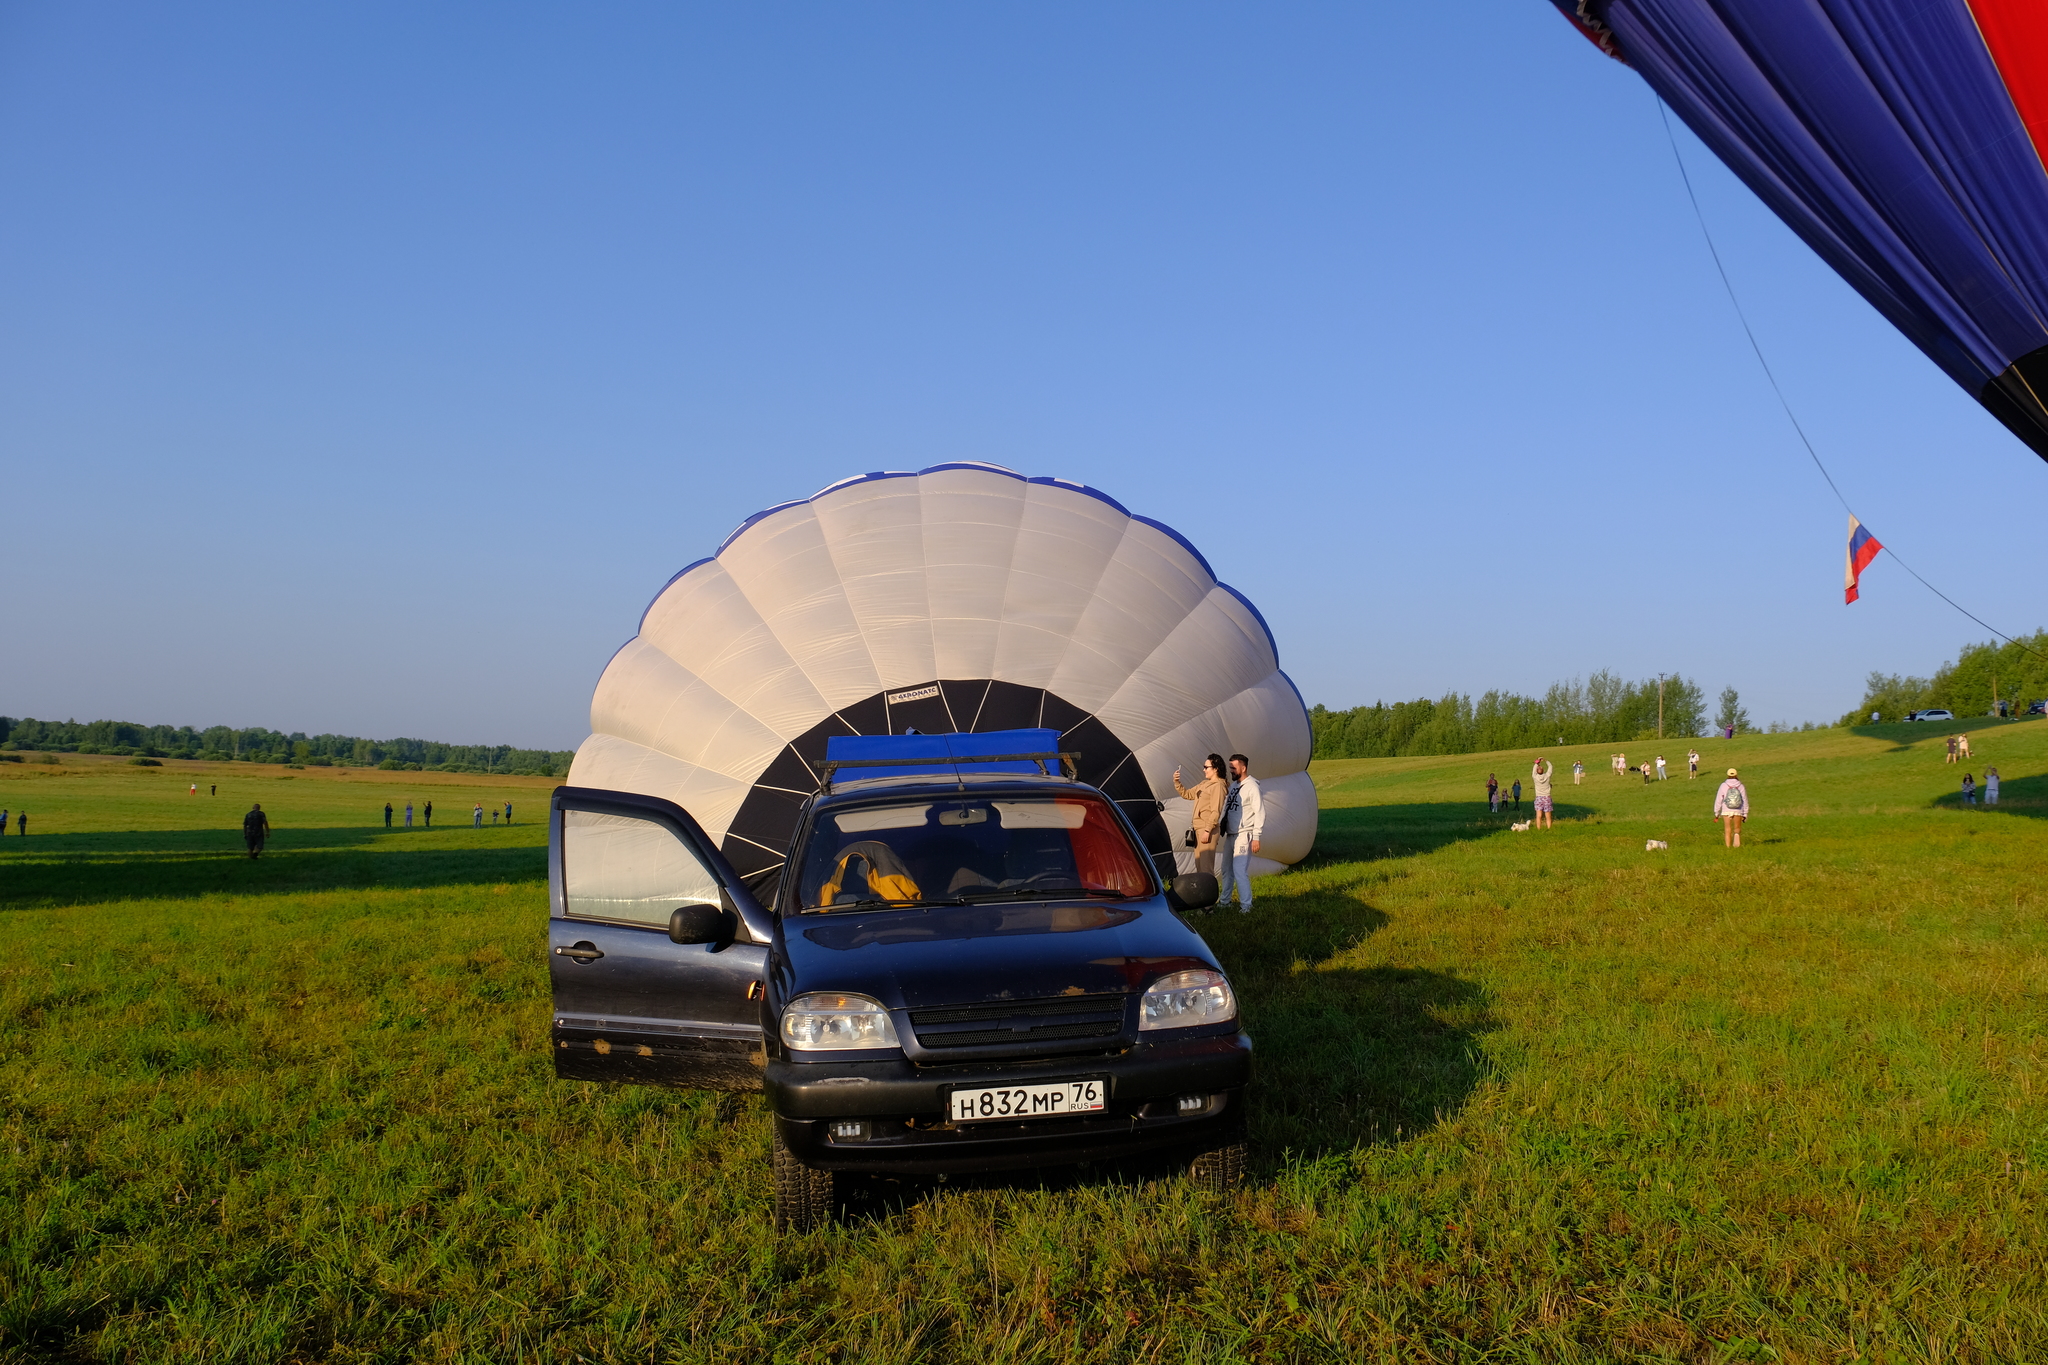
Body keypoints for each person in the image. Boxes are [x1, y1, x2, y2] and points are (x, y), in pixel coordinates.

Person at [1215, 754, 1264, 913]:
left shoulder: (1252, 786)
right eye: (1230, 768)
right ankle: (1225, 901)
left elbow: (1260, 812)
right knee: (1226, 869)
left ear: (1243, 768)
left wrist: (1256, 836)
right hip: (1231, 833)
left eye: (1234, 768)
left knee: (1239, 870)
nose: (1231, 771)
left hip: (1244, 834)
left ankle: (1246, 906)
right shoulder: (1234, 786)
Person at [1172, 754, 1227, 877]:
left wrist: (1207, 830)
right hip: (1198, 828)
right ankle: (1204, 895)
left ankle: (1211, 896)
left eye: (1206, 767)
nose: (1204, 770)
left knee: (1206, 869)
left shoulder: (1218, 786)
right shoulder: (1204, 784)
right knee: (1200, 868)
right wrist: (1177, 782)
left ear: (1215, 768)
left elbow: (1215, 811)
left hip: (1207, 829)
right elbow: (1187, 794)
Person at [1713, 767, 1749, 847]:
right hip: (1738, 810)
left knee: (1727, 830)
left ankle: (1728, 848)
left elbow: (1719, 799)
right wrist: (1745, 813)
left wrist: (1717, 812)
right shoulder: (1741, 786)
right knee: (1737, 830)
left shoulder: (1723, 785)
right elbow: (1744, 800)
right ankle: (1736, 846)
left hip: (1726, 810)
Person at [1532, 758, 1554, 829]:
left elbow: (1534, 769)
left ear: (1536, 771)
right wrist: (1546, 760)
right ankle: (1549, 828)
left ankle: (1539, 829)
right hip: (1547, 797)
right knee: (1548, 816)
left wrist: (1537, 762)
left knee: (1538, 815)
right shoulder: (1547, 776)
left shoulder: (1535, 777)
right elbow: (1550, 767)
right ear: (1543, 770)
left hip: (1539, 797)